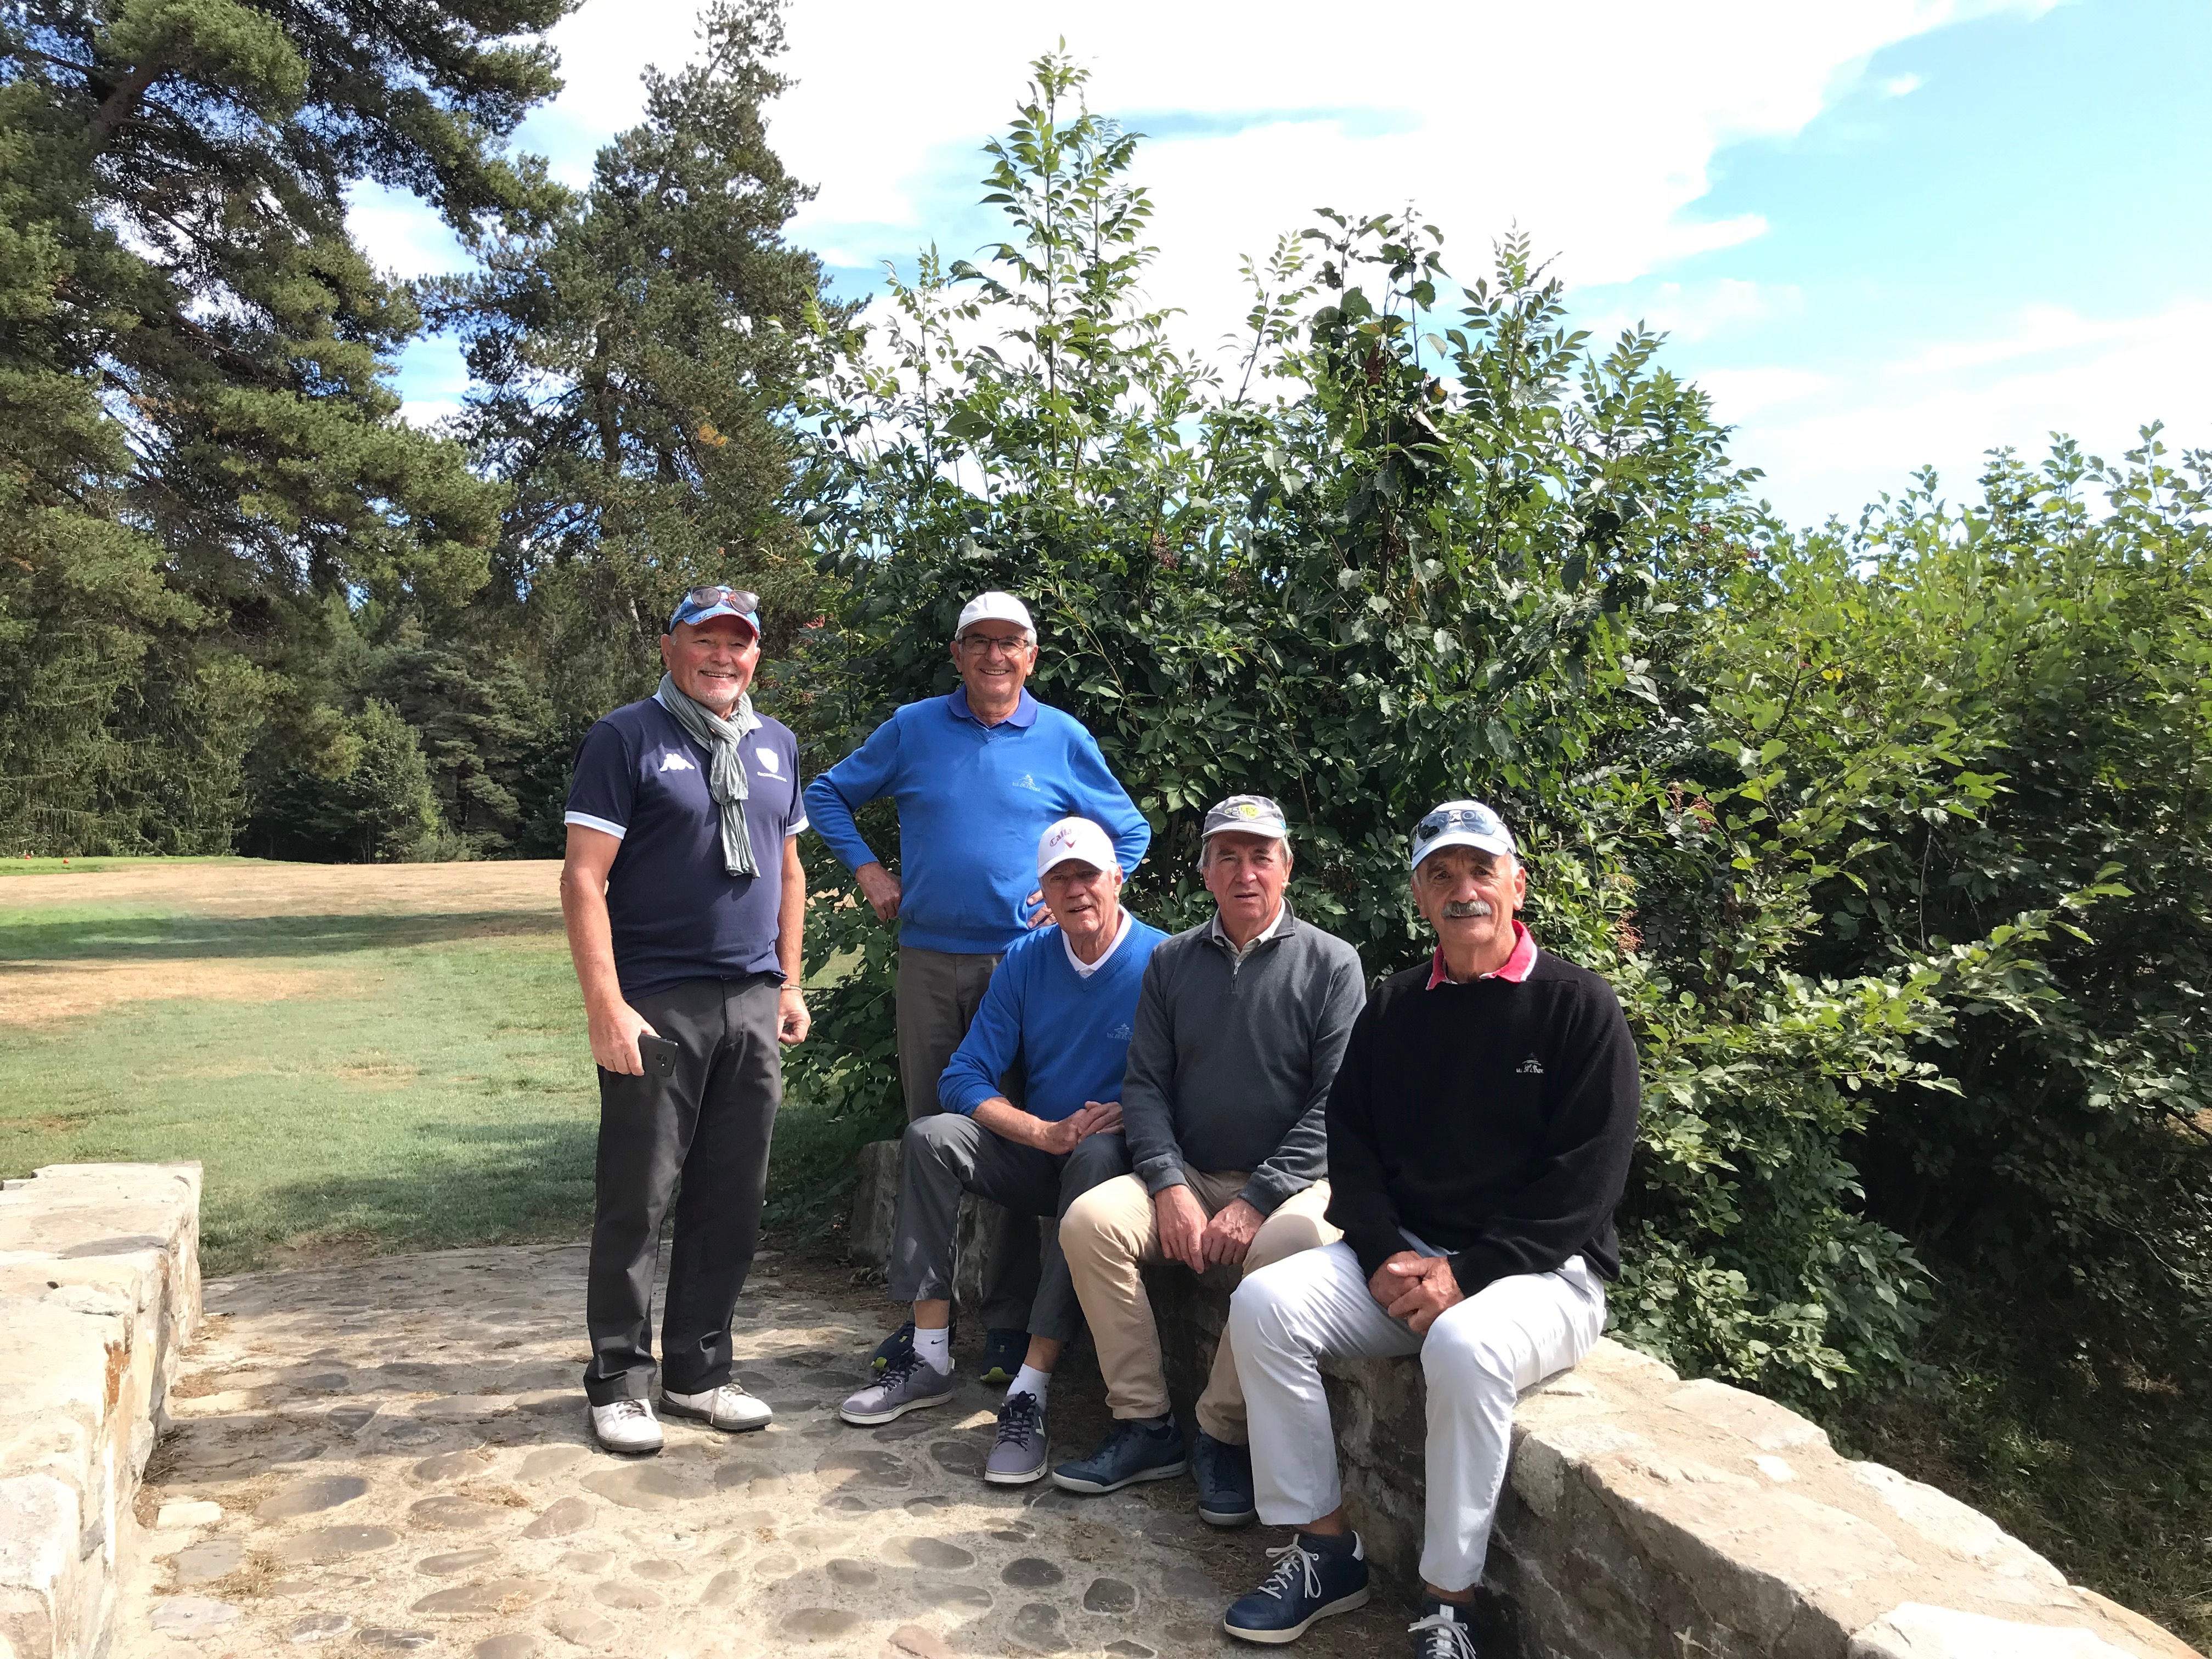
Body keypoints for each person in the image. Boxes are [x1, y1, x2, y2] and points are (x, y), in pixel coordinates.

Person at [1221, 801, 1639, 1657]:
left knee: (1462, 1346)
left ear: (1517, 884)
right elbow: (1353, 1144)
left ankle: (1451, 1603)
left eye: (1481, 870)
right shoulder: (1396, 1007)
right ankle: (1326, 1551)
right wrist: (1381, 1251)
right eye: (1441, 874)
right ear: (1419, 896)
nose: (1463, 889)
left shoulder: (1578, 1007)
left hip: (1544, 1275)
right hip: (1409, 1259)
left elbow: (1586, 1183)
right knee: (1263, 1305)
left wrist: (1466, 1275)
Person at [804, 592, 1150, 1385]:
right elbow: (825, 794)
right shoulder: (914, 728)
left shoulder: (1062, 736)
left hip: (1024, 965)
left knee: (1019, 1136)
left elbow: (1129, 830)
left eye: (1010, 643)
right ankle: (927, 1323)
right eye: (980, 642)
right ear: (958, 654)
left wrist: (1071, 899)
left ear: (1032, 656)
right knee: (936, 1132)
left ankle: (1007, 1320)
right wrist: (868, 870)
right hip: (929, 961)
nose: (995, 656)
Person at [1054, 794, 1365, 1527]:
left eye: (1261, 856)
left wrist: (1257, 1200)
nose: (1245, 872)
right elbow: (1145, 1086)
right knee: (1089, 1223)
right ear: (1206, 872)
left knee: (1292, 1246)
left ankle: (1222, 1432)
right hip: (1190, 1175)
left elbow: (1338, 1106)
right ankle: (1146, 1425)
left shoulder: (1332, 964)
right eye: (1228, 857)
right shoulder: (1171, 962)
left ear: (1286, 867)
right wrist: (1168, 1185)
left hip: (1293, 1189)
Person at [836, 817, 1166, 1485]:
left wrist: (1129, 1116)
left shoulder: (1164, 961)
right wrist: (1040, 1131)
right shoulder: (1026, 958)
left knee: (1096, 1160)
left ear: (1118, 878)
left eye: (1088, 874)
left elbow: (1193, 1079)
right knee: (930, 1137)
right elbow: (962, 1076)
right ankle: (929, 1353)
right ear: (1042, 889)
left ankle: (1030, 1390)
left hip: (1115, 1169)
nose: (1075, 890)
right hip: (1039, 1150)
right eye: (1059, 879)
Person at [559, 586, 812, 1455]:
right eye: (705, 640)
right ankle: (619, 1381)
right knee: (639, 1196)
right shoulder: (625, 737)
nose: (723, 657)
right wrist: (606, 1007)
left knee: (731, 1196)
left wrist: (788, 984)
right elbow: (583, 877)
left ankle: (699, 1372)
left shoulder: (777, 744)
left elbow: (789, 868)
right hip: (657, 1003)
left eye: (739, 643)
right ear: (670, 647)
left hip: (751, 999)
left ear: (756, 656)